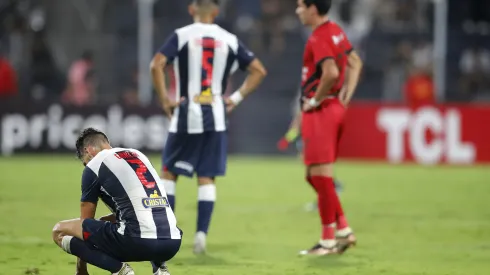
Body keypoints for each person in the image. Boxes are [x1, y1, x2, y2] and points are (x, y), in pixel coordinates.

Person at [150, 0, 267, 254]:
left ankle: (167, 232)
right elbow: (258, 70)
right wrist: (234, 98)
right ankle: (201, 236)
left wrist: (165, 100)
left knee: (169, 172)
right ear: (216, 11)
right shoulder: (229, 39)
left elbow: (156, 64)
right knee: (207, 177)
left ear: (192, 9)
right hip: (215, 114)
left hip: (185, 113)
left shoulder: (181, 36)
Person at [52, 128, 182, 275]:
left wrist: (81, 269)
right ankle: (161, 269)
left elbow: (85, 223)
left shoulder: (95, 165)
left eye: (85, 162)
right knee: (115, 219)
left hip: (136, 241)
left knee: (59, 231)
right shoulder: (139, 155)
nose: (86, 166)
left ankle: (120, 270)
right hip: (172, 242)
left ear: (88, 151)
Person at [295, 0, 363, 255]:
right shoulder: (335, 30)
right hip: (332, 108)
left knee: (321, 176)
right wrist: (346, 95)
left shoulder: (319, 37)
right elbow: (355, 62)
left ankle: (327, 241)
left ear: (313, 9)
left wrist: (315, 99)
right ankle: (343, 230)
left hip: (321, 110)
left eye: (301, 5)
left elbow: (331, 73)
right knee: (314, 176)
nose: (297, 10)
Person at [277, 88, 344, 213]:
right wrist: (288, 138)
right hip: (308, 135)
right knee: (312, 173)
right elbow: (297, 123)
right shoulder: (306, 98)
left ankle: (331, 191)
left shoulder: (311, 97)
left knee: (315, 172)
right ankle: (328, 194)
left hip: (315, 135)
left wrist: (287, 139)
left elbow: (298, 121)